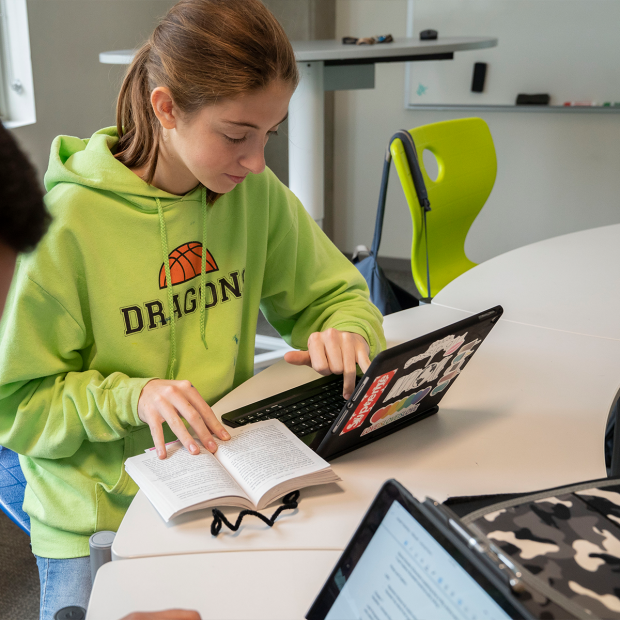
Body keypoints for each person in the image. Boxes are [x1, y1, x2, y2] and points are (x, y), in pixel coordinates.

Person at [0, 0, 385, 618]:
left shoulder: (252, 191)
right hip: (96, 518)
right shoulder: (67, 225)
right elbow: (15, 403)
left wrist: (344, 330)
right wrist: (135, 395)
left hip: (223, 487)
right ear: (165, 107)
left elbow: (337, 295)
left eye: (270, 133)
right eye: (236, 134)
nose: (258, 160)